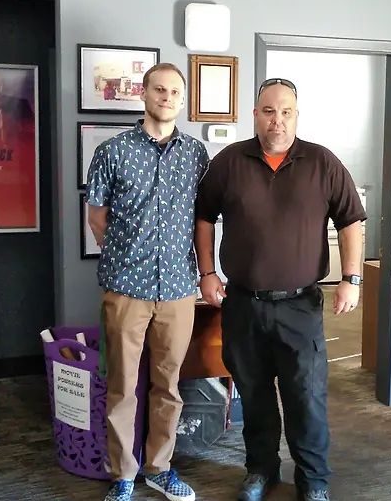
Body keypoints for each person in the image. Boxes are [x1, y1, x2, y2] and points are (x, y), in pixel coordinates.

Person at [194, 78, 366, 501]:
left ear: (297, 115)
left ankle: (314, 480)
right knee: (254, 396)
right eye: (269, 111)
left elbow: (350, 220)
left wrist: (351, 278)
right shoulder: (229, 162)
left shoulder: (322, 162)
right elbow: (203, 217)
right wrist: (207, 273)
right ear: (255, 115)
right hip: (243, 305)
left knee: (306, 397)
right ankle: (261, 470)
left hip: (299, 307)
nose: (278, 120)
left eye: (286, 111)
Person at [86, 62, 210, 501]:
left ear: (182, 98)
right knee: (122, 386)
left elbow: (203, 219)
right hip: (126, 288)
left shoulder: (197, 155)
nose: (167, 97)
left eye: (175, 91)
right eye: (159, 89)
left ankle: (159, 469)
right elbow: (97, 217)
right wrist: (127, 257)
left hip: (178, 290)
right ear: (143, 93)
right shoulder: (112, 151)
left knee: (169, 386)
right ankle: (123, 476)